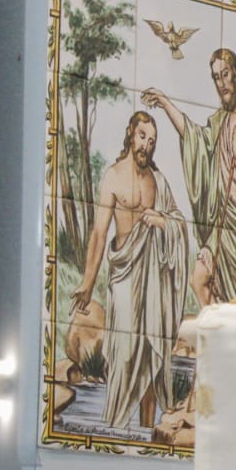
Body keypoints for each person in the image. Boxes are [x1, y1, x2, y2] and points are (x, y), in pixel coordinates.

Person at [71, 111, 189, 429]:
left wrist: (162, 221)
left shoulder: (158, 181)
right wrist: (87, 282)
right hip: (123, 276)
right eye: (142, 137)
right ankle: (117, 425)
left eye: (151, 141)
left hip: (153, 277)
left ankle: (148, 428)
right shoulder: (113, 177)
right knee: (123, 353)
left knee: (151, 354)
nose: (146, 146)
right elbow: (99, 234)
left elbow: (178, 222)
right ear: (130, 134)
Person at [142, 47, 236, 306]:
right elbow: (193, 137)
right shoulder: (222, 121)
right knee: (198, 280)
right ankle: (220, 338)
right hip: (224, 227)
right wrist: (164, 102)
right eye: (216, 77)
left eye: (225, 74)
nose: (221, 83)